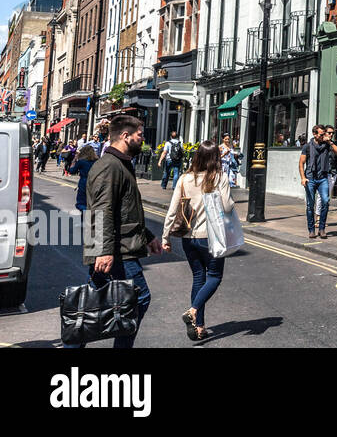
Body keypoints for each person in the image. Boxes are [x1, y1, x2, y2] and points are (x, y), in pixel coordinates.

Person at [75, 115, 161, 349]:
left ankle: (74, 344)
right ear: (125, 136)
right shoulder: (110, 166)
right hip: (115, 247)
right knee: (138, 297)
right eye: (140, 135)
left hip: (114, 244)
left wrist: (148, 236)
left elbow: (125, 210)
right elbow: (101, 211)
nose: (143, 140)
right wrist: (103, 251)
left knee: (91, 303)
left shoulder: (120, 164)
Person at [161, 140, 235, 342]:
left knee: (198, 277)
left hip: (188, 238)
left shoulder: (185, 178)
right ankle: (193, 312)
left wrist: (165, 237)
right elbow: (228, 207)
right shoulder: (218, 177)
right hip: (211, 237)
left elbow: (173, 210)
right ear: (215, 159)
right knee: (214, 277)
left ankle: (199, 327)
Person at [299, 125, 333, 239]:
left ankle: (322, 228)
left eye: (324, 134)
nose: (323, 136)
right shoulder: (307, 147)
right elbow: (301, 163)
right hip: (310, 178)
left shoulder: (326, 145)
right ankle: (311, 230)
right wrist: (303, 178)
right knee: (310, 205)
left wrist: (330, 142)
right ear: (314, 134)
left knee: (325, 201)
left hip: (322, 178)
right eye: (321, 134)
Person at [67, 144, 98, 212]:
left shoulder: (81, 162)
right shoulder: (97, 161)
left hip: (84, 183)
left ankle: (84, 219)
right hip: (95, 182)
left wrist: (75, 159)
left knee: (82, 203)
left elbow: (72, 171)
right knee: (92, 202)